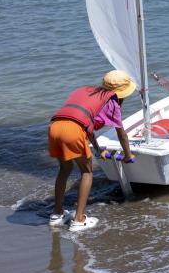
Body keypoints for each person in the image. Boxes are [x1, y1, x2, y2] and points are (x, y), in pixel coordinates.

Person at [47, 69, 136, 231]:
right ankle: (79, 220)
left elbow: (85, 124)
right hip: (73, 131)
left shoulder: (86, 91)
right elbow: (121, 134)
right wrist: (128, 155)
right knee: (87, 172)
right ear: (122, 92)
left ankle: (56, 214)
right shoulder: (112, 103)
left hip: (55, 127)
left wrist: (98, 149)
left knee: (65, 169)